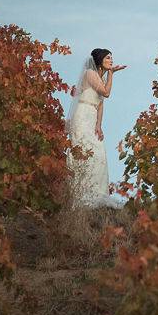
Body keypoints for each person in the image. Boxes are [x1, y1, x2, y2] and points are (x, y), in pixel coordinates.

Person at [66, 48, 126, 208]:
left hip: (91, 115)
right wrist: (112, 74)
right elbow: (106, 93)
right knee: (84, 149)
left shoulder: (99, 77)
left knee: (98, 153)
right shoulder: (90, 74)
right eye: (108, 58)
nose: (111, 61)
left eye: (112, 58)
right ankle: (82, 195)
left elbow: (100, 103)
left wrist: (99, 125)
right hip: (83, 114)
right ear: (100, 60)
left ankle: (96, 193)